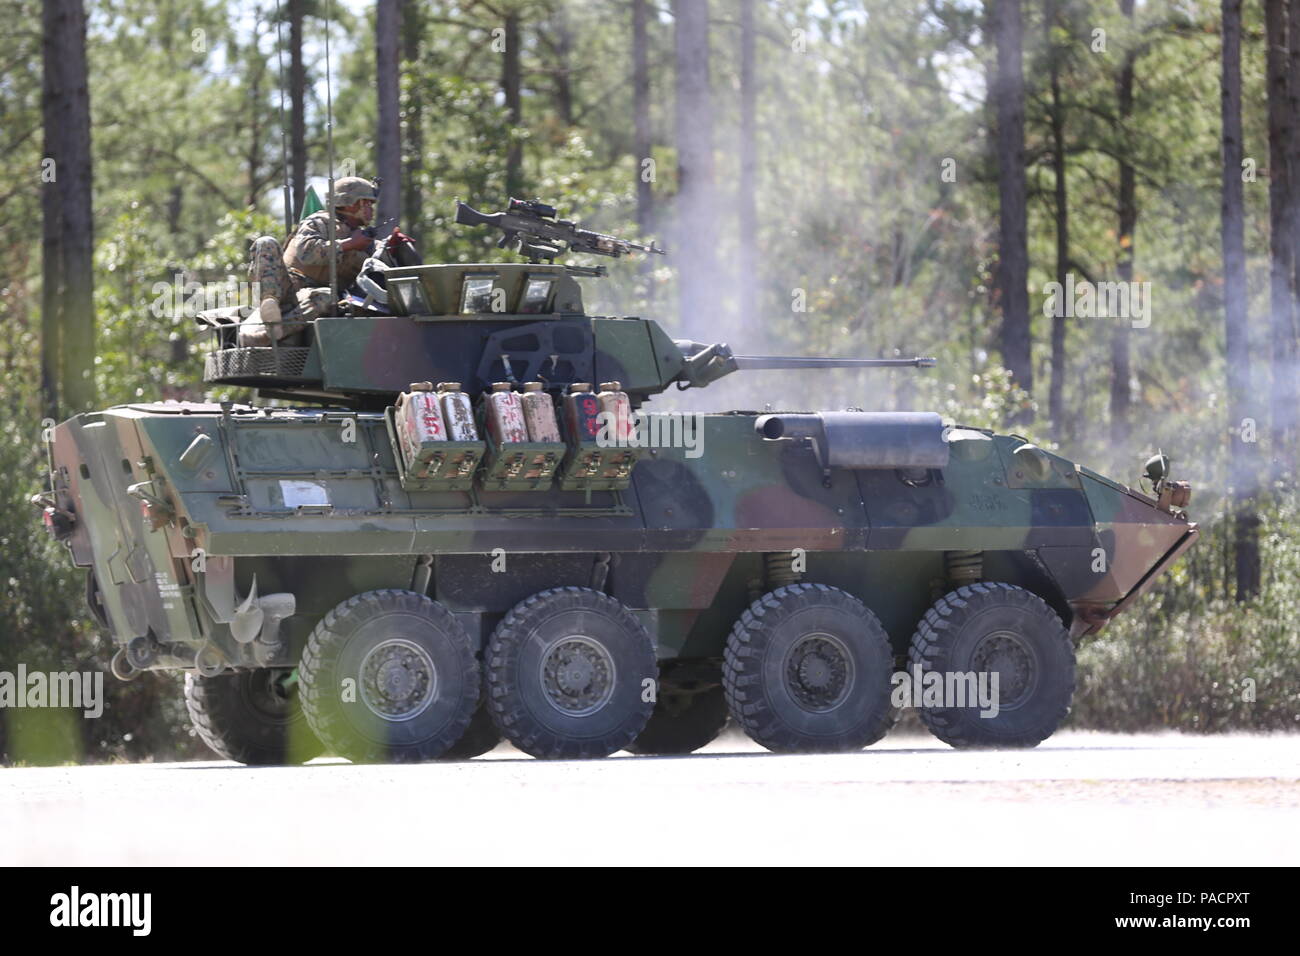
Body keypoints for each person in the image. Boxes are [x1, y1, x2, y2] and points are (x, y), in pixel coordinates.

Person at [240, 176, 384, 346]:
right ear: (350, 203)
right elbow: (307, 253)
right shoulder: (320, 222)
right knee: (265, 243)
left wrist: (395, 247)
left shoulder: (367, 242)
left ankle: (269, 334)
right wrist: (348, 245)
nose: (371, 210)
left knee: (329, 297)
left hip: (312, 297)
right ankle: (270, 303)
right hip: (287, 287)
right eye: (366, 203)